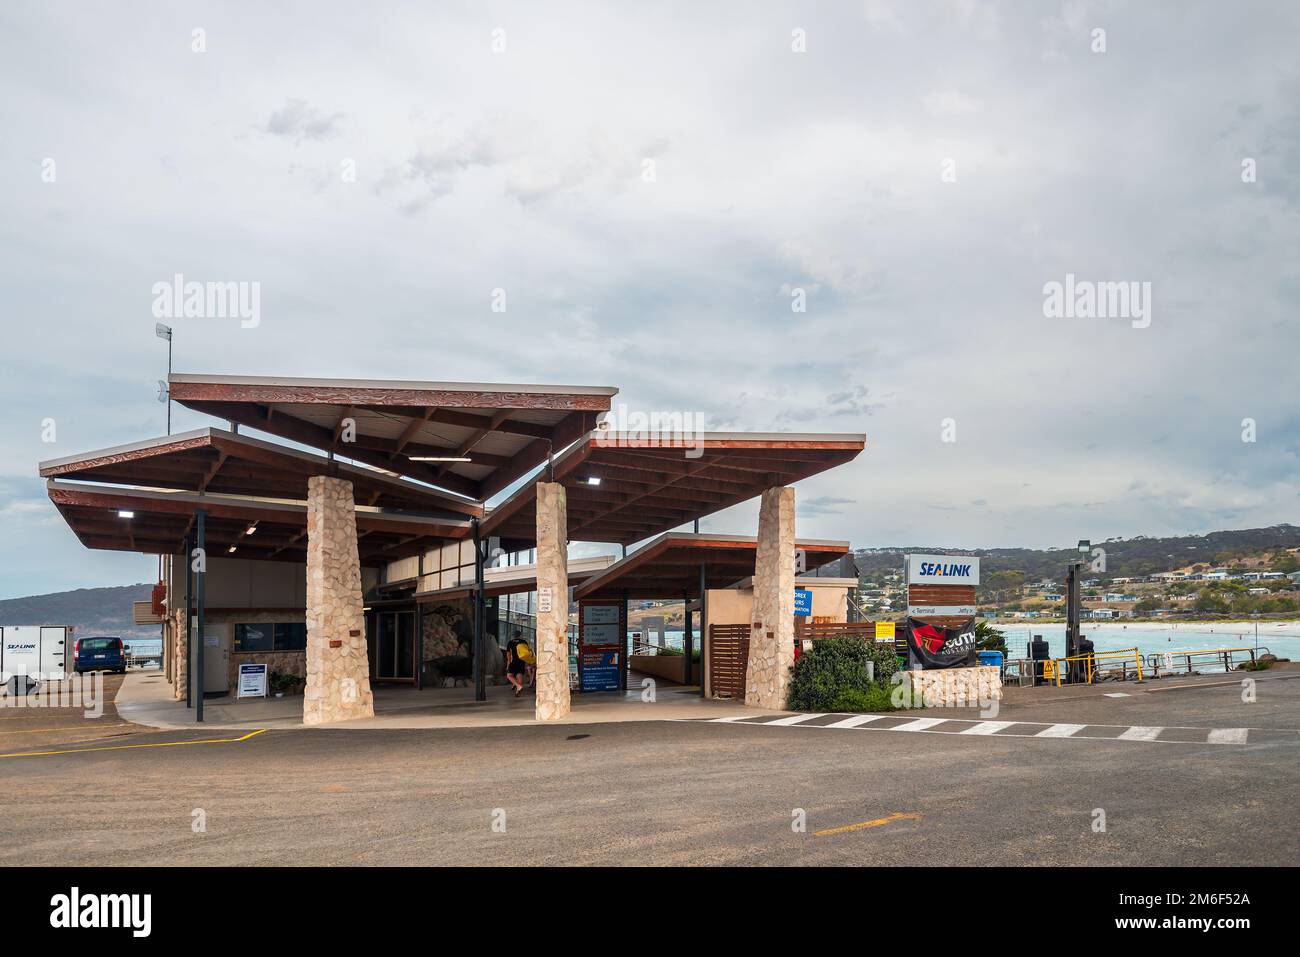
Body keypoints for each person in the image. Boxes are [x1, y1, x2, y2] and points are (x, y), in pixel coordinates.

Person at [505, 630, 532, 697]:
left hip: (513, 661)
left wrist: (508, 662)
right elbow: (528, 651)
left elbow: (508, 654)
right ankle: (518, 691)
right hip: (522, 661)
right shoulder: (524, 642)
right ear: (520, 635)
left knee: (509, 675)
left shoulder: (510, 642)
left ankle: (518, 686)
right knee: (519, 674)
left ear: (513, 636)